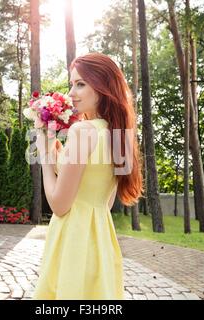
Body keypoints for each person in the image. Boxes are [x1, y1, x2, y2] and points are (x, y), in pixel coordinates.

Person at [32, 52, 143, 300]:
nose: (71, 93)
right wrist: (56, 149)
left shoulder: (82, 131)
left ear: (103, 86)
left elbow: (60, 205)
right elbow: (103, 197)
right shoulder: (120, 134)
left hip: (73, 239)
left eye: (80, 84)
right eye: (72, 84)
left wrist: (45, 158)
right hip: (101, 240)